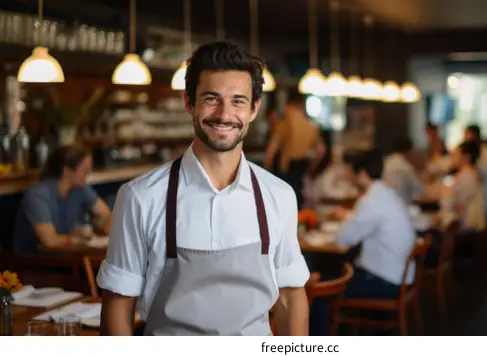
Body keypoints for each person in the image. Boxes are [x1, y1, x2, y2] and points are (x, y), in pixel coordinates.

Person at [97, 42, 310, 336]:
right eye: (211, 98)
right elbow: (118, 303)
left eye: (238, 100)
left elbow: (290, 296)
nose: (224, 114)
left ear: (254, 109)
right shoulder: (140, 197)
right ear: (189, 103)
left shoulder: (280, 196)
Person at [332, 150, 416, 299]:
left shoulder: (371, 199)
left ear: (362, 173)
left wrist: (346, 220)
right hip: (402, 276)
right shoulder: (388, 193)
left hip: (385, 281)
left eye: (352, 172)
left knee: (328, 283)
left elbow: (343, 239)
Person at [12, 145, 112, 254]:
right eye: (85, 169)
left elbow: (107, 215)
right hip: (33, 260)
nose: (89, 172)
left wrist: (103, 224)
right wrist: (79, 239)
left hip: (64, 256)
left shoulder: (80, 189)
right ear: (67, 171)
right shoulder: (39, 195)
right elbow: (50, 241)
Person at [263, 92, 326, 209]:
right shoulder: (311, 126)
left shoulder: (283, 125)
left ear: (289, 106)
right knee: (298, 198)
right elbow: (321, 150)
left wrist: (267, 168)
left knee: (282, 200)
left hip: (285, 167)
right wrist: (312, 166)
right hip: (302, 165)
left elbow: (271, 149)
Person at [383, 137, 425, 203]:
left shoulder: (386, 162)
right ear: (409, 151)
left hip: (386, 203)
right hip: (402, 206)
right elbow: (419, 191)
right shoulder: (404, 166)